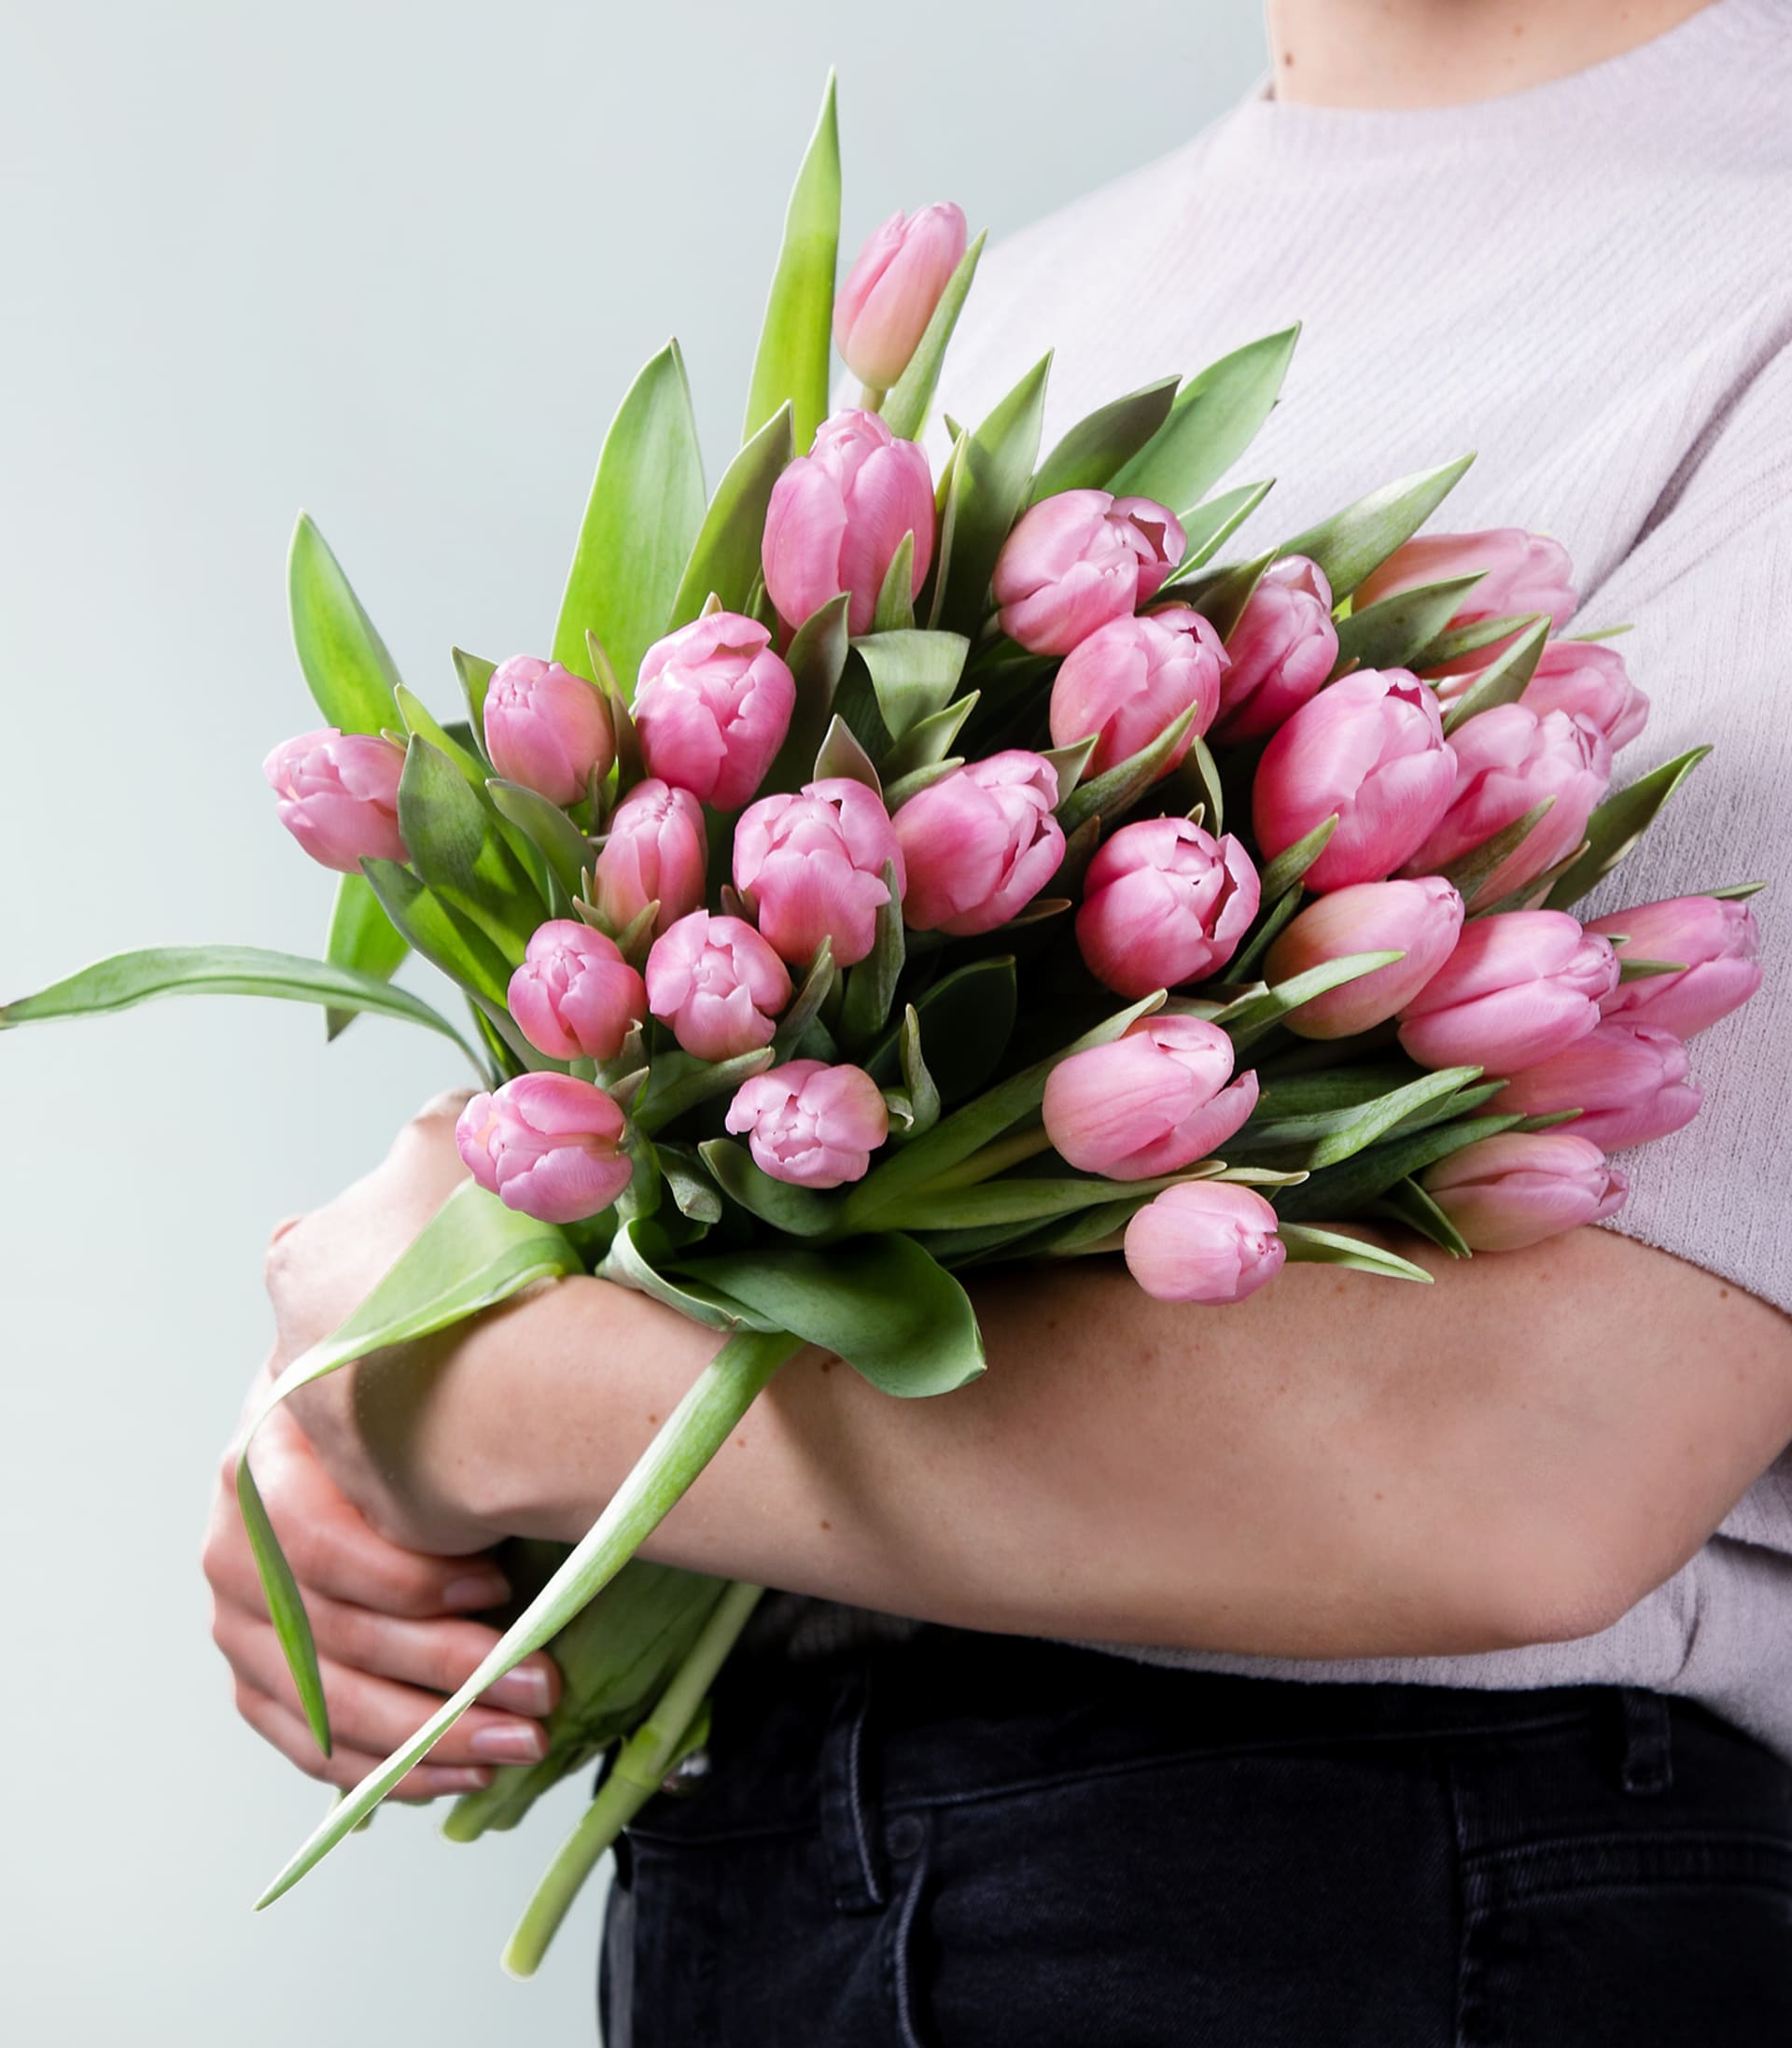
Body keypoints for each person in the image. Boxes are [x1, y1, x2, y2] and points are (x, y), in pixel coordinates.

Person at [203, 1, 1792, 2039]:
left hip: (1350, 1895)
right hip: (782, 1869)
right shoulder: (1009, 322)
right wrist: (364, 1453)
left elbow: (1524, 1457)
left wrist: (437, 1381)